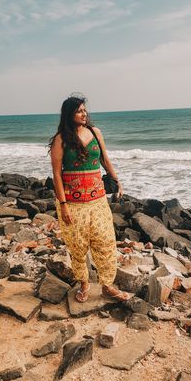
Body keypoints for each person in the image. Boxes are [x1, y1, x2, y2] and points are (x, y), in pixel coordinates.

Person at [49, 94, 130, 303]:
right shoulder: (60, 139)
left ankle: (107, 286)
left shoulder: (95, 132)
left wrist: (116, 180)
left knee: (105, 242)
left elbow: (104, 159)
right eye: (79, 111)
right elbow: (57, 174)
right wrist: (64, 205)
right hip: (73, 203)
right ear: (69, 114)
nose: (84, 113)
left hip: (98, 200)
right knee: (77, 246)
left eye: (85, 110)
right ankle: (84, 284)